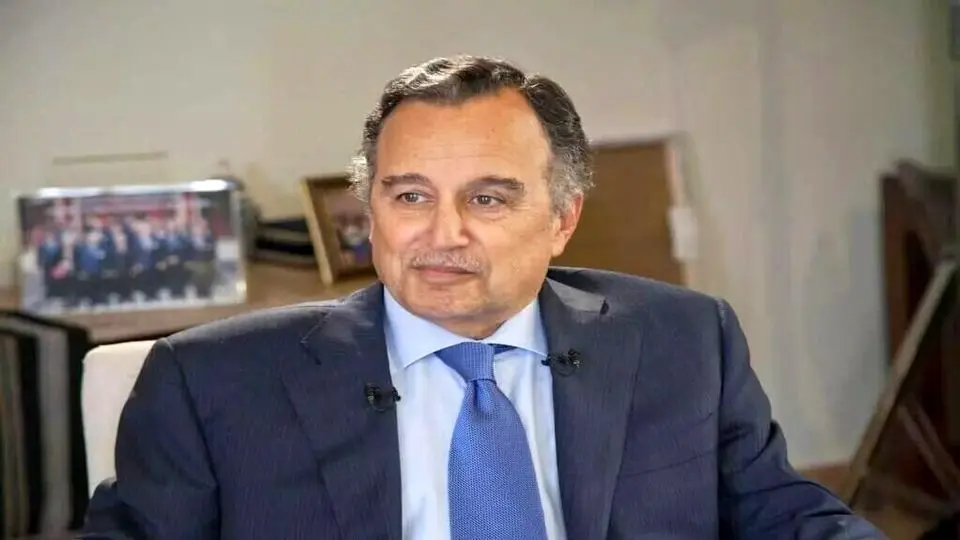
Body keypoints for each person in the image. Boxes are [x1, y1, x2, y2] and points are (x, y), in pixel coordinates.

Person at [79, 55, 886, 539]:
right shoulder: (211, 384)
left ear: (563, 219)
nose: (443, 233)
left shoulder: (685, 339)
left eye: (488, 199)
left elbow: (782, 513)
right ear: (371, 211)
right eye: (409, 196)